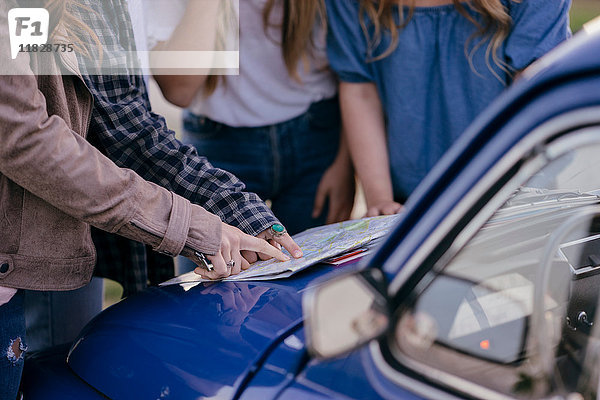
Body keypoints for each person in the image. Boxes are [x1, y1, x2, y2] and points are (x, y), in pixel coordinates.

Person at [21, 0, 305, 353]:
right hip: (28, 244)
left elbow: (128, 123)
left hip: (73, 227)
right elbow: (37, 143)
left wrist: (234, 208)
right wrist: (194, 225)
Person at [325, 0, 572, 216]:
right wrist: (380, 200)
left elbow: (532, 94)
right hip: (408, 199)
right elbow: (359, 88)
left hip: (514, 189)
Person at [146, 0, 356, 240]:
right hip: (218, 149)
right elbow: (179, 90)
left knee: (317, 272)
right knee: (222, 273)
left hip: (317, 142)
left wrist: (344, 162)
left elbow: (355, 74)